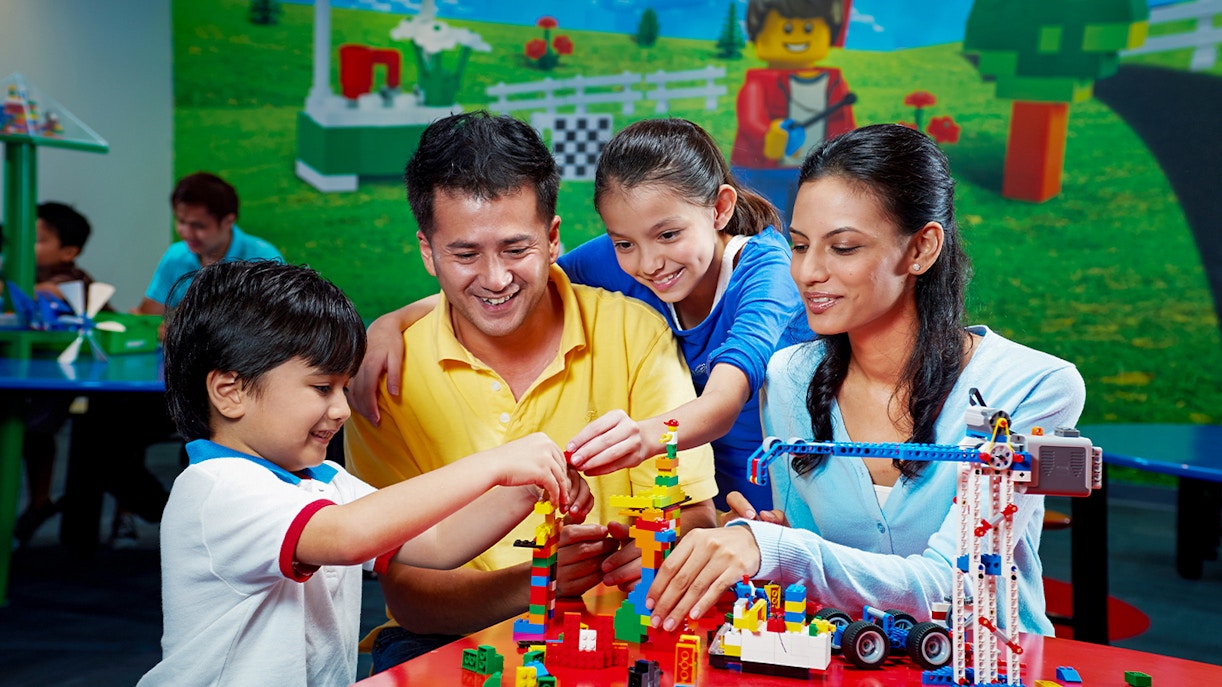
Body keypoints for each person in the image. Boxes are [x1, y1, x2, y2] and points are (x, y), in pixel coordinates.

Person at [643, 124, 1085, 636]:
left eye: (844, 247)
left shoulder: (1034, 387)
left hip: (993, 660)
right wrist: (773, 543)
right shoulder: (789, 378)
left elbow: (957, 584)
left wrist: (783, 551)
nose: (808, 272)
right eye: (800, 245)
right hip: (854, 657)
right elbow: (811, 564)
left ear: (921, 249)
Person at [343, 111, 717, 672]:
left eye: (516, 249)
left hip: (614, 631)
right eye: (465, 254)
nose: (496, 279)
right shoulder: (385, 377)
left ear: (553, 238)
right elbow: (410, 598)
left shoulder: (635, 334)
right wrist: (539, 581)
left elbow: (694, 516)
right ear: (427, 251)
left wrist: (645, 558)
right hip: (445, 642)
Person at [138, 259, 588, 687]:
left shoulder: (324, 479)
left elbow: (436, 541)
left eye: (344, 387)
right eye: (322, 388)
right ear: (229, 392)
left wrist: (528, 487)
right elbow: (350, 536)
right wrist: (495, 462)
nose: (341, 409)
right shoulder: (218, 490)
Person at [353, 118, 809, 513]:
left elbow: (722, 404)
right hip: (715, 501)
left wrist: (641, 437)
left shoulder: (768, 273)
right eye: (624, 242)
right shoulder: (621, 257)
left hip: (787, 494)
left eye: (669, 235)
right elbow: (522, 286)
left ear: (720, 209)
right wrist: (392, 322)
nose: (650, 262)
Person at [14, 202, 97, 543]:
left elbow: (47, 294)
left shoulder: (72, 280)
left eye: (38, 239)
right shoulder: (27, 273)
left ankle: (122, 517)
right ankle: (40, 501)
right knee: (34, 434)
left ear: (69, 252)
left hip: (82, 371)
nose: (28, 245)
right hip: (43, 370)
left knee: (36, 429)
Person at [732, 0, 856, 225]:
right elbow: (751, 119)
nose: (797, 37)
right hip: (765, 172)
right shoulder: (759, 82)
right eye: (787, 29)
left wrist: (847, 159)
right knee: (768, 222)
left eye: (808, 28)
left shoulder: (834, 82)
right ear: (758, 34)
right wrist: (767, 135)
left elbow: (844, 124)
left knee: (811, 224)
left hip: (818, 172)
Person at [134, 171, 282, 315]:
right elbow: (148, 316)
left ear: (228, 221)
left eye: (198, 226)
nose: (186, 233)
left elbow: (277, 324)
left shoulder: (264, 260)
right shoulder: (176, 256)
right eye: (181, 221)